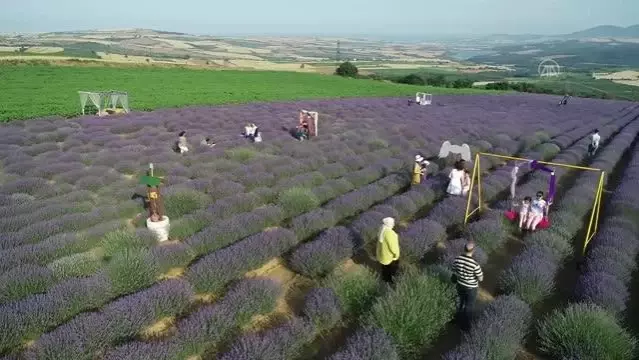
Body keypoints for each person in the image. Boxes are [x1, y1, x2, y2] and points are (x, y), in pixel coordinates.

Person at [452, 241, 484, 331]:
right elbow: (480, 278)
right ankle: (465, 326)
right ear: (473, 251)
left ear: (464, 249)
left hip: (460, 285)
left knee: (460, 302)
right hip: (471, 288)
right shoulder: (475, 264)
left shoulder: (457, 259)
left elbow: (454, 270)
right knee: (469, 306)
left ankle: (456, 319)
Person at [376, 217, 400, 283]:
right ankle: (390, 281)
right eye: (392, 223)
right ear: (389, 224)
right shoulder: (390, 233)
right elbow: (393, 247)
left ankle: (385, 279)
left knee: (384, 268)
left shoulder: (382, 229)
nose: (394, 224)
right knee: (392, 270)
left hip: (383, 254)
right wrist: (396, 255)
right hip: (390, 256)